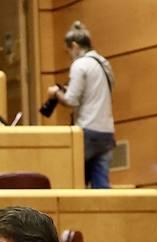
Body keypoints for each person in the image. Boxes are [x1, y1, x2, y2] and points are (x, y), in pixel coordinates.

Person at [47, 21, 115, 188]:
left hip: (87, 130)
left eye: (68, 50)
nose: (69, 55)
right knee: (101, 185)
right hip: (106, 131)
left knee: (76, 182)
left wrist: (55, 92)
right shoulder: (103, 63)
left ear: (75, 46)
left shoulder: (80, 64)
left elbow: (71, 100)